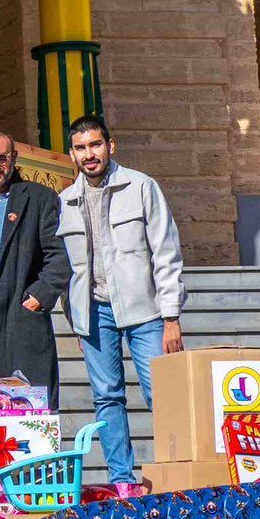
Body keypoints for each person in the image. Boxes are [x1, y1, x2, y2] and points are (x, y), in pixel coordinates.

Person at [56, 114, 185, 487]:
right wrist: (76, 318)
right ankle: (122, 480)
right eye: (81, 148)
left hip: (146, 311)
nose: (89, 154)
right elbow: (68, 269)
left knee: (162, 395)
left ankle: (175, 469)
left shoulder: (141, 187)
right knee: (107, 398)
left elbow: (166, 251)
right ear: (72, 154)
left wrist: (171, 316)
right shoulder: (66, 201)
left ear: (110, 146)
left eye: (95, 145)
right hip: (95, 314)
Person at [0, 128, 70, 393]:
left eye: (1, 158)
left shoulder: (40, 199)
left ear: (14, 157)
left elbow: (59, 257)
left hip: (20, 324)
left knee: (24, 414)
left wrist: (38, 297)